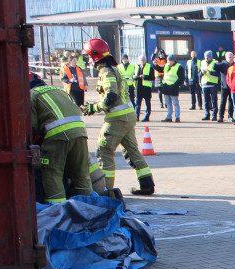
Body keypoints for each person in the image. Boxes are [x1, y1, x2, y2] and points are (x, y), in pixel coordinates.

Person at [82, 38, 154, 195]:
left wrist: (94, 107)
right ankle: (147, 184)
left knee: (104, 151)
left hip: (117, 119)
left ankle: (106, 191)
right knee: (132, 151)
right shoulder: (115, 70)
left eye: (88, 56)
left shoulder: (106, 72)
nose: (88, 59)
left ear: (95, 56)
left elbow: (111, 96)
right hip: (128, 116)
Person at [29, 72, 91, 203]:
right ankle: (89, 208)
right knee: (80, 173)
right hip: (80, 133)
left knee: (52, 173)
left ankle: (59, 211)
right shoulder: (58, 90)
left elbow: (32, 127)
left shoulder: (32, 95)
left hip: (57, 136)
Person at [160, 54, 182, 122]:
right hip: (166, 87)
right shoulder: (167, 65)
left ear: (172, 60)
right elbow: (162, 70)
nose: (167, 62)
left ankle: (177, 117)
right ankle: (169, 117)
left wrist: (175, 85)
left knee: (175, 103)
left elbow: (181, 78)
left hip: (173, 88)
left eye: (168, 61)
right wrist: (155, 65)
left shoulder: (179, 67)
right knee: (168, 103)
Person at [200, 51, 219, 121]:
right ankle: (207, 114)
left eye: (207, 58)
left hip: (213, 84)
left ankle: (214, 115)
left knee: (214, 101)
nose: (206, 59)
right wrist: (201, 74)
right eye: (205, 58)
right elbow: (200, 72)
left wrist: (209, 71)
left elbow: (217, 73)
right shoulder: (202, 62)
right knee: (206, 101)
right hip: (204, 84)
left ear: (211, 57)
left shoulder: (215, 63)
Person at [216, 52, 234, 122]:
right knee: (223, 102)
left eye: (232, 57)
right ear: (226, 58)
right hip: (224, 86)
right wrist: (215, 64)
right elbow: (215, 68)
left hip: (232, 87)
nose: (231, 58)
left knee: (231, 102)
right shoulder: (222, 64)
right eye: (229, 57)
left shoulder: (234, 65)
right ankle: (221, 116)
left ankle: (230, 116)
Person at [134, 55, 153, 121]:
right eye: (141, 60)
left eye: (143, 60)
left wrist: (144, 76)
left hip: (146, 88)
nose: (142, 61)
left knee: (147, 103)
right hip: (138, 88)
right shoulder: (136, 67)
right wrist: (135, 77)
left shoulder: (149, 67)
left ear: (145, 60)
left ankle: (147, 117)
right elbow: (134, 75)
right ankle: (136, 116)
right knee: (137, 103)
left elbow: (152, 77)